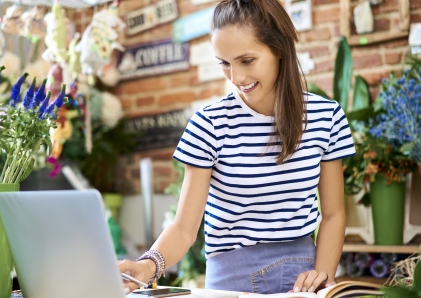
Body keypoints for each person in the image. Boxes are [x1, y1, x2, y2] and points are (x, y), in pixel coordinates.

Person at [118, 0, 355, 294]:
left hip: (303, 280)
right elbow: (184, 229)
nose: (236, 77)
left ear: (279, 49)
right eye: (224, 63)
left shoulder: (326, 116)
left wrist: (323, 275)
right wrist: (148, 265)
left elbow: (334, 214)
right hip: (232, 281)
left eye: (247, 60)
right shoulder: (209, 124)